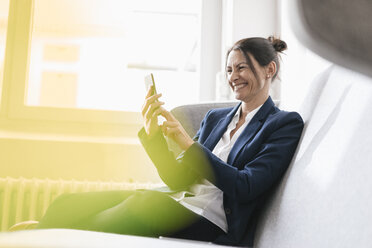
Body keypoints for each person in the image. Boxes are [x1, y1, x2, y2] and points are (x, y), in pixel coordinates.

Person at [36, 36, 304, 247]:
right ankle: (40, 237)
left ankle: (48, 239)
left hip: (215, 220)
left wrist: (190, 146)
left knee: (146, 204)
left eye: (241, 67)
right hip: (178, 201)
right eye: (229, 69)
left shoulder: (283, 124)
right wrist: (153, 136)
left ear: (269, 69)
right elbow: (178, 181)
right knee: (67, 203)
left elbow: (246, 186)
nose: (233, 76)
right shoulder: (215, 118)